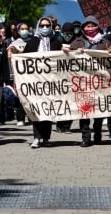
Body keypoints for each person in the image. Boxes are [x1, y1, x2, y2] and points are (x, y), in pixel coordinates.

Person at [68, 15, 111, 147]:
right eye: (87, 26)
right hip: (83, 82)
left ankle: (98, 133)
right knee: (84, 110)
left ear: (97, 27)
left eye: (92, 25)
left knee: (98, 110)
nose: (90, 28)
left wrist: (109, 52)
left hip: (100, 82)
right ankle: (85, 137)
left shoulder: (104, 42)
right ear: (83, 28)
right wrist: (74, 51)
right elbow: (67, 55)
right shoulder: (78, 41)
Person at [24, 16, 62, 148]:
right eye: (42, 26)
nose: (44, 28)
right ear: (38, 27)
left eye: (47, 25)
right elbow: (23, 60)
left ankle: (46, 138)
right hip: (35, 82)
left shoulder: (56, 41)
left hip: (51, 81)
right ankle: (36, 137)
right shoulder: (32, 42)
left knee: (48, 110)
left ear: (51, 27)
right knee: (36, 110)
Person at [7, 22, 32, 127]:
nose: (24, 31)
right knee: (21, 96)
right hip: (19, 74)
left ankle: (32, 117)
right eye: (22, 29)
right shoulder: (15, 43)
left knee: (32, 96)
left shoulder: (33, 41)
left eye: (26, 29)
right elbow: (9, 57)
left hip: (32, 73)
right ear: (18, 31)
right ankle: (20, 118)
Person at [55, 22, 77, 134]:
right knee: (61, 101)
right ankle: (59, 124)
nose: (67, 35)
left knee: (72, 102)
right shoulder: (57, 42)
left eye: (70, 33)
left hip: (74, 77)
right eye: (65, 33)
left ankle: (67, 126)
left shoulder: (77, 43)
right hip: (60, 77)